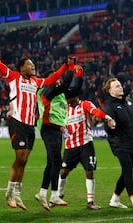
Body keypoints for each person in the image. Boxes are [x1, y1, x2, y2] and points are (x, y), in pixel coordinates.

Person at [0, 40, 75, 210]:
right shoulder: (14, 77)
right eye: (30, 65)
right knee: (20, 158)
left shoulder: (35, 82)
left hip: (30, 126)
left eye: (33, 65)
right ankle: (9, 192)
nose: (33, 67)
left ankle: (17, 194)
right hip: (18, 122)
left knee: (25, 161)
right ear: (22, 68)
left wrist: (66, 67)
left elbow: (52, 78)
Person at [34, 65, 83, 211]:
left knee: (51, 162)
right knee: (57, 160)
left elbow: (75, 90)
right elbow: (65, 85)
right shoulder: (46, 91)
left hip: (57, 130)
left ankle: (42, 192)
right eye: (55, 79)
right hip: (48, 127)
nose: (58, 81)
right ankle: (54, 194)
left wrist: (79, 74)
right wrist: (70, 69)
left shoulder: (61, 93)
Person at [58, 95, 116, 210]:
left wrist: (107, 118)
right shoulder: (64, 107)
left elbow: (96, 112)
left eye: (68, 97)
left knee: (89, 171)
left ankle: (90, 201)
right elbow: (60, 123)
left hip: (86, 144)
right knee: (63, 172)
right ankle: (58, 196)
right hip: (71, 146)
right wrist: (62, 128)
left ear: (74, 96)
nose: (66, 99)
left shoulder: (85, 104)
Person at [102, 77, 133, 211]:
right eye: (116, 86)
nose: (120, 87)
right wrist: (110, 126)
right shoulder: (109, 106)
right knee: (127, 168)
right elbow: (107, 127)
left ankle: (114, 199)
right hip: (119, 143)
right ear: (110, 91)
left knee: (126, 171)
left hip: (132, 142)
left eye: (120, 85)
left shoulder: (129, 102)